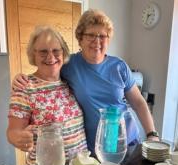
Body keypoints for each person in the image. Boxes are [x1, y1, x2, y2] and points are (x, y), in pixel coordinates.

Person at [12, 9, 159, 156]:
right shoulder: (69, 65)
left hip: (127, 141)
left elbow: (139, 103)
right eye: (90, 35)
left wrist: (152, 133)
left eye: (102, 36)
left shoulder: (119, 66)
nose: (97, 41)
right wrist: (22, 78)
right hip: (95, 149)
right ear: (80, 38)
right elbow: (48, 68)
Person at [7, 26, 87, 165]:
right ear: (34, 55)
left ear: (63, 53)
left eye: (56, 50)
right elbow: (13, 131)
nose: (51, 57)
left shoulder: (69, 81)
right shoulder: (25, 87)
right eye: (43, 52)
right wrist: (18, 138)